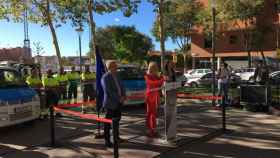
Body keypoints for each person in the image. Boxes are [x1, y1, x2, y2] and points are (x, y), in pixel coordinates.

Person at [101, 60, 126, 148]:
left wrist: (123, 96)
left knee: (117, 122)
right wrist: (119, 98)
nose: (116, 67)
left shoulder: (117, 75)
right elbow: (108, 91)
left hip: (118, 103)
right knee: (107, 124)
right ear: (110, 67)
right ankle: (107, 141)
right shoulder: (105, 77)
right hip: (110, 104)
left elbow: (122, 87)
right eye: (115, 66)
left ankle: (116, 138)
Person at [144, 62, 164, 137]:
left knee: (154, 113)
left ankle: (154, 129)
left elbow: (160, 84)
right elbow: (152, 83)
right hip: (150, 96)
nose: (155, 69)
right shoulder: (147, 76)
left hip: (156, 95)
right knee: (150, 113)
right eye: (154, 67)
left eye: (156, 67)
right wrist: (161, 79)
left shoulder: (156, 75)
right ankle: (149, 130)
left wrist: (161, 78)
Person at [163, 60, 177, 140]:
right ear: (167, 64)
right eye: (170, 64)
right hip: (167, 93)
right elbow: (165, 82)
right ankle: (168, 133)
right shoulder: (164, 72)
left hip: (173, 93)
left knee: (173, 111)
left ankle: (172, 132)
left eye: (172, 64)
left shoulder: (173, 71)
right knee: (168, 112)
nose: (171, 65)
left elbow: (175, 82)